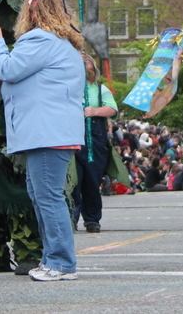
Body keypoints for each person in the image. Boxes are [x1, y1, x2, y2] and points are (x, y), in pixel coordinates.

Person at [0, 0, 84, 282]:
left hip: (46, 132)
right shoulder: (59, 43)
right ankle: (53, 258)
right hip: (52, 130)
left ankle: (61, 262)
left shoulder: (40, 39)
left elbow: (11, 68)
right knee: (43, 196)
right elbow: (22, 76)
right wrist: (0, 73)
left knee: (48, 197)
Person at [73, 54, 118, 233]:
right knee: (74, 181)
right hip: (73, 138)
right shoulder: (70, 87)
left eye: (87, 62)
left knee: (92, 181)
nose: (85, 65)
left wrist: (94, 111)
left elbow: (112, 109)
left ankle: (92, 219)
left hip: (95, 140)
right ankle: (72, 217)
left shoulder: (100, 89)